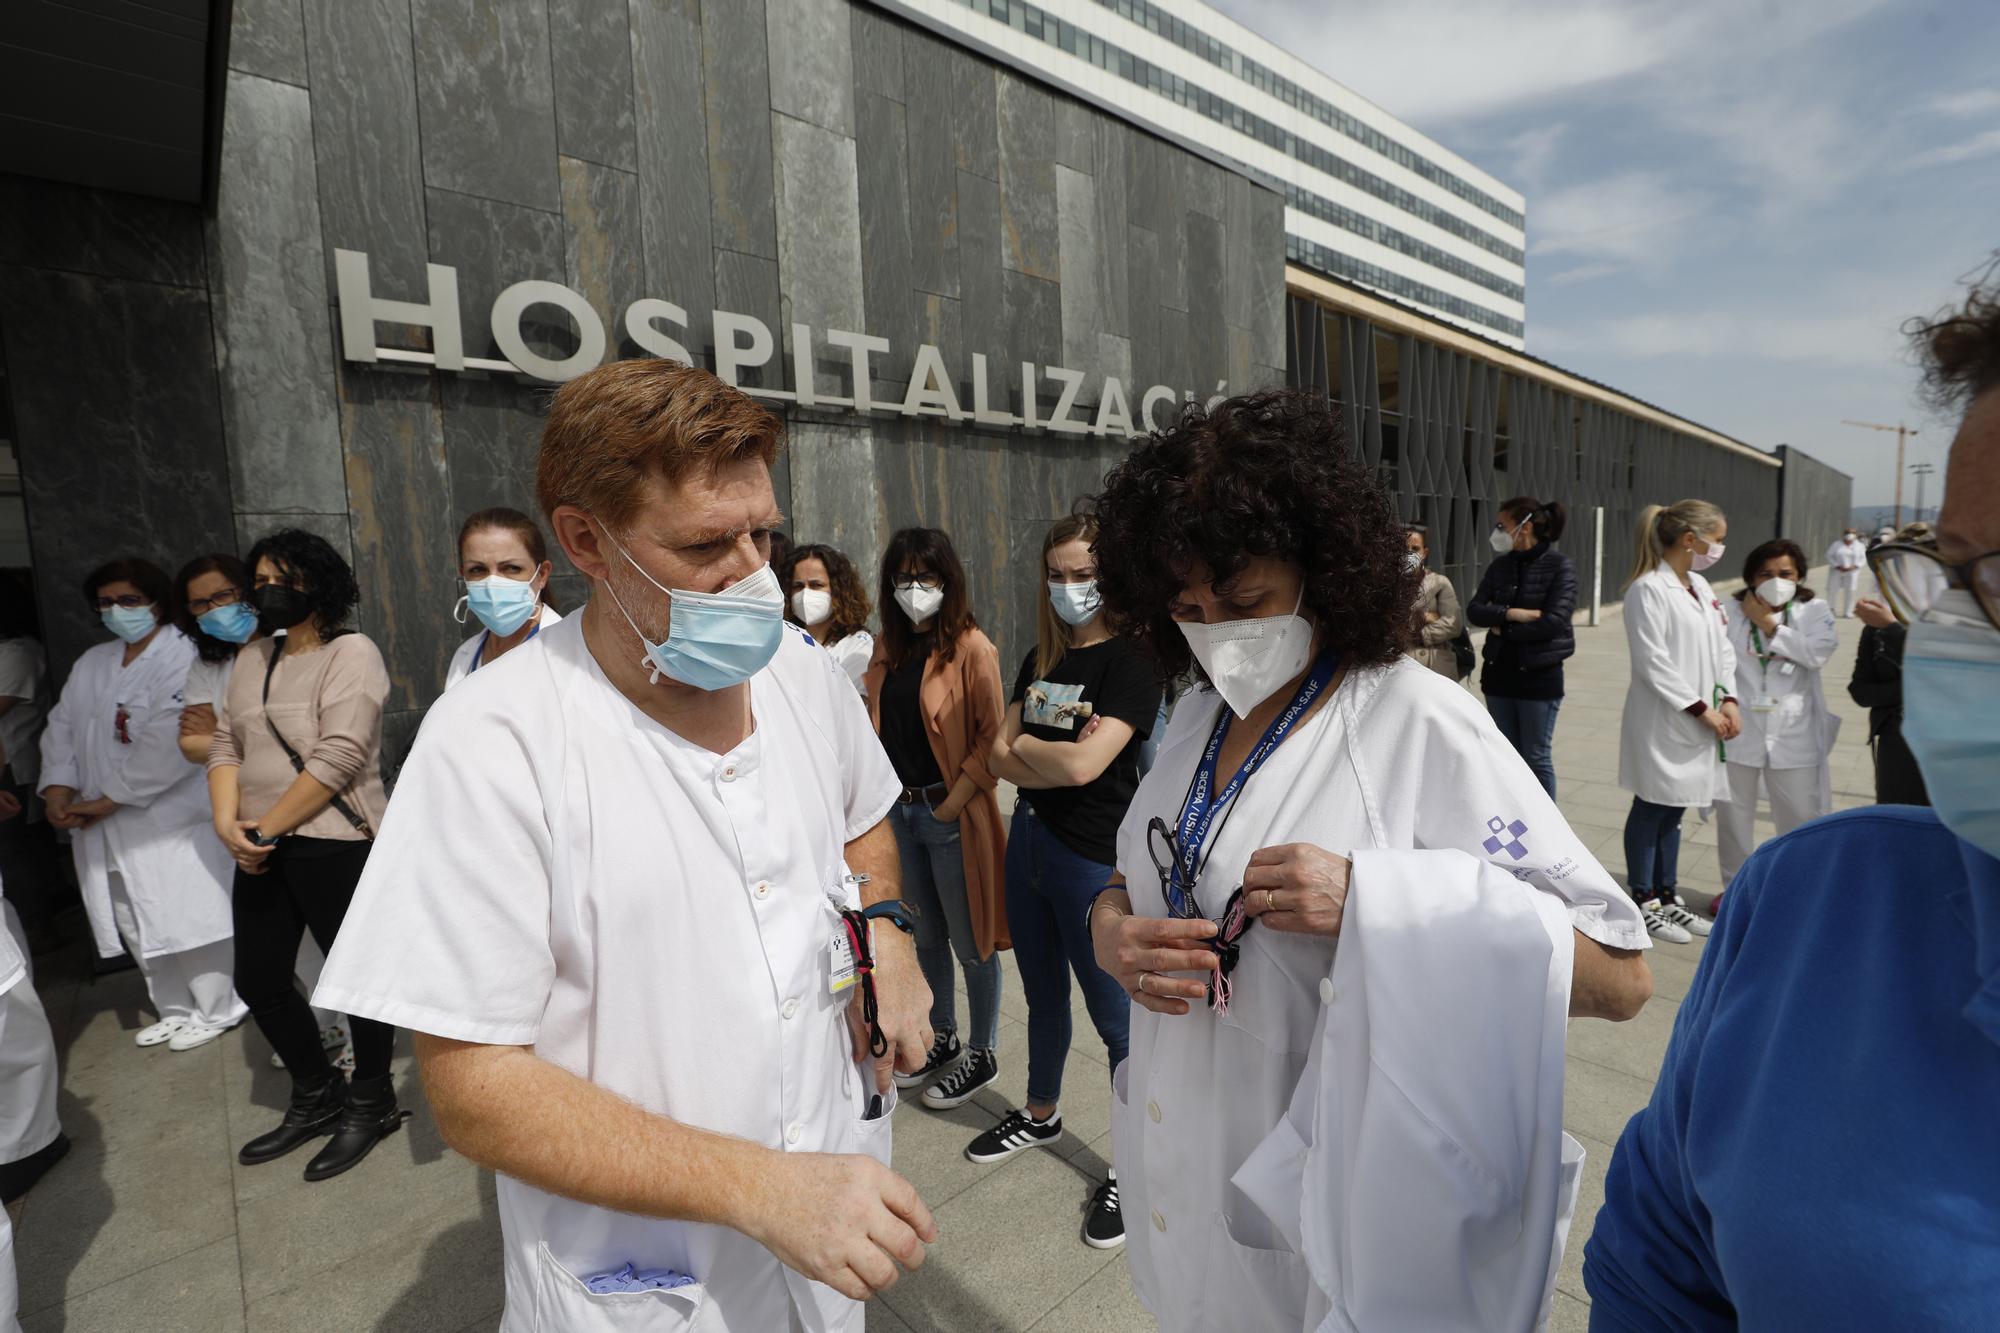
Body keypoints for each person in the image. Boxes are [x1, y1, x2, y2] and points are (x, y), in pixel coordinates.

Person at [314, 359, 936, 1330]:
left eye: (761, 532)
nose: (753, 572)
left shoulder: (801, 676)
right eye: (704, 544)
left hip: (825, 1248)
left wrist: (889, 931)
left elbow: (863, 819)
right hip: (641, 1284)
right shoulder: (493, 741)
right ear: (584, 540)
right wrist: (763, 1188)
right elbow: (474, 1087)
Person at [1084, 389, 1651, 1331]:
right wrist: (1112, 933)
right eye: (1187, 607)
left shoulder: (1417, 721)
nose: (1218, 629)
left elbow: (1618, 977)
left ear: (1323, 564)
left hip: (1336, 1222)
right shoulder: (1192, 720)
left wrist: (1377, 901)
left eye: (1245, 599)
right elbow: (1124, 878)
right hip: (1179, 1178)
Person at [1583, 259, 2000, 1332]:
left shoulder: (1787, 610)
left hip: (1772, 726)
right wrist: (1714, 698)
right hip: (1723, 731)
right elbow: (1652, 1264)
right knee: (1710, 829)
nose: (1950, 630)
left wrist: (1744, 665)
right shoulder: (1822, 902)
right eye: (1950, 569)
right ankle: (1667, 893)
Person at [981, 514, 1160, 1249]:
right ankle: (1041, 1109)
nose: (1069, 586)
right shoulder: (1040, 656)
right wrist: (1032, 752)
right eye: (1057, 572)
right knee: (1042, 996)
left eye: (1083, 572)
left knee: (1119, 1024)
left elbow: (1088, 767)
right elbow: (994, 752)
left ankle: (1137, 1164)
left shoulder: (1134, 662)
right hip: (1027, 843)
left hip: (1091, 857)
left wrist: (1027, 748)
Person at [209, 529, 398, 1181]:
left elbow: (339, 755)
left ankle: (372, 1099)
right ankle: (317, 1093)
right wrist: (227, 822)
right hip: (258, 839)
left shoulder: (353, 651)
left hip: (334, 841)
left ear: (317, 584)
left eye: (283, 578)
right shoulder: (253, 655)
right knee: (258, 978)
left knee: (355, 982)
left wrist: (265, 831)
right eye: (259, 577)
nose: (268, 590)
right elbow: (224, 746)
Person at [40, 558, 246, 1051]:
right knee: (136, 916)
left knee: (191, 915)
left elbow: (169, 742)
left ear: (156, 601)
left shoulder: (181, 655)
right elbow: (62, 727)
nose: (117, 610)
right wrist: (59, 791)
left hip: (169, 813)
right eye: (106, 602)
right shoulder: (94, 662)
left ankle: (221, 1006)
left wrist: (110, 799)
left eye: (129, 600)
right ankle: (174, 1008)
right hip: (100, 819)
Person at [176, 554, 350, 1074]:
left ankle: (362, 1053)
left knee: (338, 939)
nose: (214, 610)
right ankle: (318, 1038)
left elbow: (330, 743)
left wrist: (246, 736)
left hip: (319, 815)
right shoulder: (213, 664)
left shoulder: (318, 648)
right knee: (275, 957)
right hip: (248, 816)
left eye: (224, 596)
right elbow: (193, 743)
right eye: (200, 604)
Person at [864, 528, 1009, 1112]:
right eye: (903, 578)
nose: (914, 589)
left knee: (972, 939)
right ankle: (942, 1034)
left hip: (948, 813)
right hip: (901, 815)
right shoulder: (887, 649)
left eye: (926, 577)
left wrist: (950, 802)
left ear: (948, 582)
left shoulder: (972, 649)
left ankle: (983, 1049)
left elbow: (992, 737)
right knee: (926, 935)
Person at [1618, 500, 1739, 944]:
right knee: (1652, 805)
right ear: (1691, 539)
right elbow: (1654, 663)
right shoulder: (1647, 590)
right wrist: (1700, 709)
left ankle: (1669, 898)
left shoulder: (1702, 587)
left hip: (1702, 718)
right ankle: (1644, 899)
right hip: (1666, 718)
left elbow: (1723, 648)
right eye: (1718, 539)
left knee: (1675, 808)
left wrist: (1729, 700)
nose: (1720, 547)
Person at [1716, 540, 1840, 889]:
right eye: (1765, 573)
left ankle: (1798, 889)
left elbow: (1816, 653)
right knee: (1734, 818)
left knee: (1801, 816)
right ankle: (1735, 890)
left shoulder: (1814, 610)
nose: (1776, 580)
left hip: (1793, 733)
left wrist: (1770, 625)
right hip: (1739, 731)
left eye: (1785, 573)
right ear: (1751, 578)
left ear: (1799, 575)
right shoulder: (1727, 610)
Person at [1466, 497, 1577, 798]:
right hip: (1499, 676)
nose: (1497, 531)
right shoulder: (1501, 566)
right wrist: (1513, 614)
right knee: (1505, 756)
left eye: (1502, 525)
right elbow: (1475, 610)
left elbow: (1555, 621)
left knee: (1536, 756)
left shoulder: (1559, 567)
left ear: (1525, 528)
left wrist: (1503, 627)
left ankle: (1547, 830)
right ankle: (1513, 817)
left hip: (1539, 679)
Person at [1849, 521, 1937, 807]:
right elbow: (1860, 691)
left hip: (1948, 745)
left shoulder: (1966, 619)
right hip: (1895, 743)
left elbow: (1952, 679)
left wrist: (1893, 630)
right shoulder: (1877, 625)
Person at [0, 578, 62, 954]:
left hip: (13, 765)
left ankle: (40, 926)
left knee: (14, 852)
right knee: (26, 847)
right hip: (12, 762)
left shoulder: (17, 652)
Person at [446, 508, 564, 688]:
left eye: (511, 568)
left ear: (542, 574)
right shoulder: (465, 656)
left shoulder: (568, 655)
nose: (493, 583)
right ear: (464, 575)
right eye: (477, 569)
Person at [784, 543, 875, 697]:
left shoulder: (857, 644)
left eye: (816, 585)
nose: (806, 594)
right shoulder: (786, 640)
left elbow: (852, 703)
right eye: (798, 586)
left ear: (838, 590)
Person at [1401, 525, 1462, 680]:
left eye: (1415, 548)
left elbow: (1453, 625)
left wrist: (1418, 634)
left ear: (1425, 552)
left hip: (1435, 665)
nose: (1409, 554)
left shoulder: (1440, 583)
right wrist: (1425, 616)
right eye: (1404, 548)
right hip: (1402, 665)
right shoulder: (1386, 585)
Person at [1826, 525, 1868, 617]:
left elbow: (1863, 559)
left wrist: (1855, 566)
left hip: (1852, 572)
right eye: (1847, 533)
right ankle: (1830, 610)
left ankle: (1848, 611)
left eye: (1852, 533)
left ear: (1855, 535)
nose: (1849, 535)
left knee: (1850, 591)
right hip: (1837, 571)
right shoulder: (1836, 544)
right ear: (1843, 534)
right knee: (1832, 590)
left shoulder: (1859, 546)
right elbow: (1829, 556)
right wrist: (1837, 566)